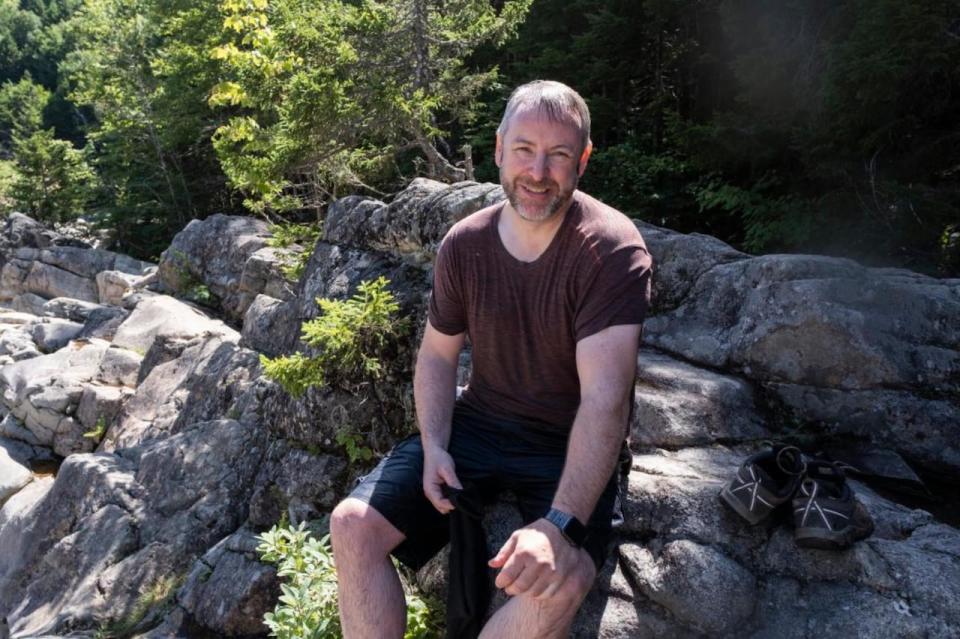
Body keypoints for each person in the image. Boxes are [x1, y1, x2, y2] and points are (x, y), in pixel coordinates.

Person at [330, 80, 652, 638]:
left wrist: (557, 525)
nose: (538, 171)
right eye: (524, 150)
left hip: (565, 439)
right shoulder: (465, 243)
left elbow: (605, 398)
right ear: (500, 149)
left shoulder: (610, 250)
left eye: (557, 155)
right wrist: (433, 445)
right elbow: (436, 354)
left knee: (561, 579)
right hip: (478, 422)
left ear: (583, 159)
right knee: (352, 525)